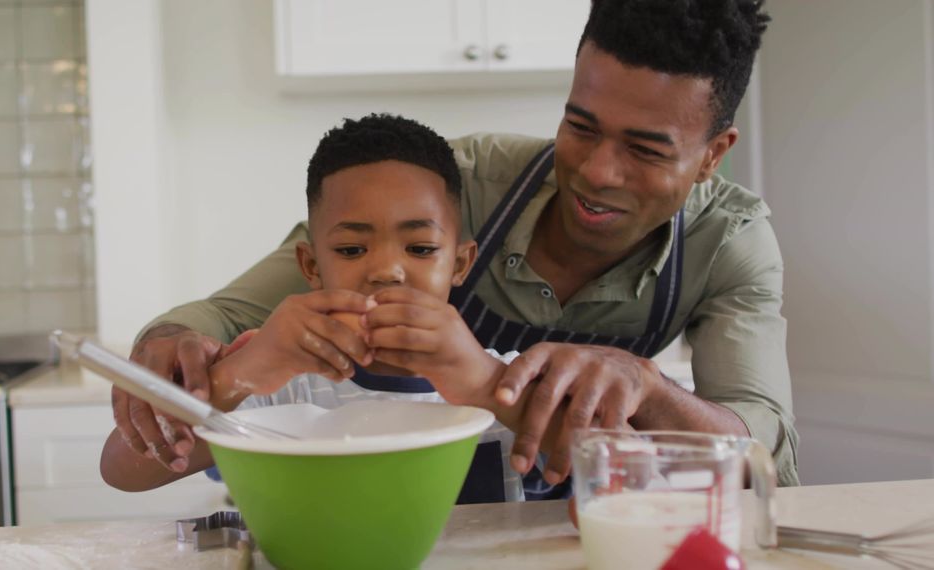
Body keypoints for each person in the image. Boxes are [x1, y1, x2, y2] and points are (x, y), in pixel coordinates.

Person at [115, 0, 799, 493]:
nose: (596, 171)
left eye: (646, 149)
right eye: (580, 127)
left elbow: (757, 453)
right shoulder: (451, 184)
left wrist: (641, 383)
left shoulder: (732, 243)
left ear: (713, 155)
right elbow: (221, 320)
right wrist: (184, 353)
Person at [102, 114, 572, 502]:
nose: (387, 271)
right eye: (351, 250)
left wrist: (487, 386)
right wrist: (239, 373)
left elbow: (620, 457)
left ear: (461, 263)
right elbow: (122, 469)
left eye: (422, 249)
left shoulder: (510, 383)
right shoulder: (281, 391)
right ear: (310, 265)